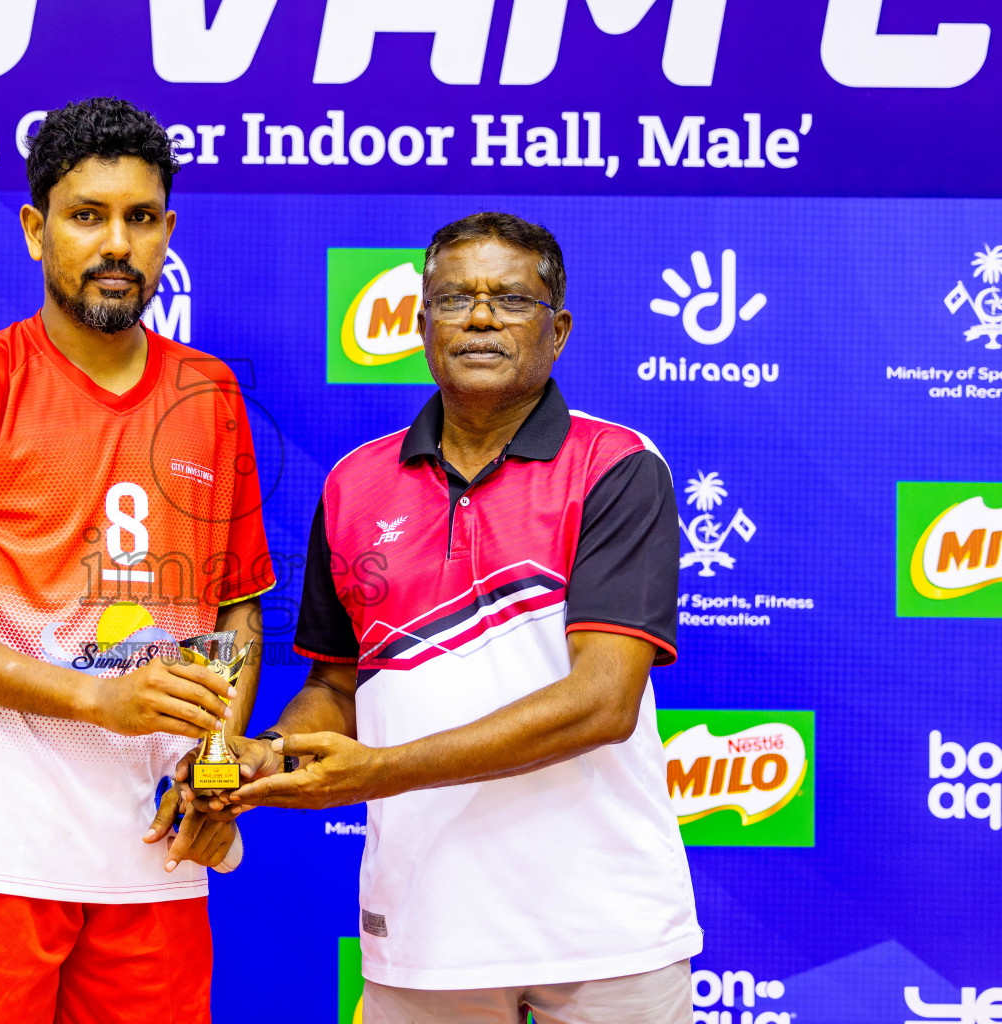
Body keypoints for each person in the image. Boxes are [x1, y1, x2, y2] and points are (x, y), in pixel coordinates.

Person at [212, 212, 702, 1023]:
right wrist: (268, 755)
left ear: (558, 331)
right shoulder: (352, 484)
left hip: (607, 932)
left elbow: (603, 702)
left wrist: (379, 771)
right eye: (452, 299)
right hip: (422, 933)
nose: (479, 317)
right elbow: (337, 688)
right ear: (419, 325)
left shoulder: (618, 467)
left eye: (511, 299)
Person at [0, 97, 275, 1024]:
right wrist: (94, 697)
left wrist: (213, 774)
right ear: (36, 230)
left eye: (139, 217)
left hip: (155, 866)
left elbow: (237, 612)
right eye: (87, 216)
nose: (115, 243)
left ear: (168, 231)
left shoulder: (210, 394)